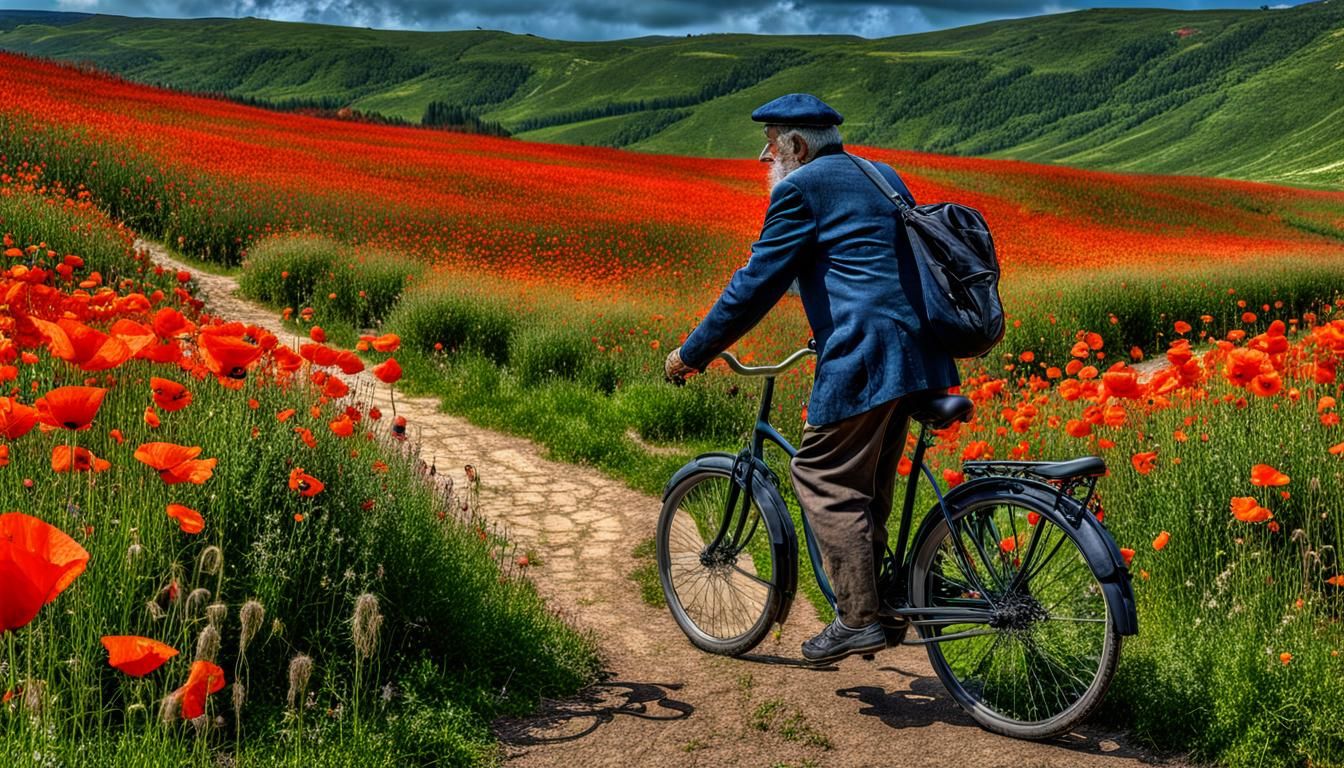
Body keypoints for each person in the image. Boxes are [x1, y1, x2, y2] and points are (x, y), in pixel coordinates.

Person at [663, 93, 960, 665]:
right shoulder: (881, 175)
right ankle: (882, 600)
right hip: (921, 354)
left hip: (867, 356)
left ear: (797, 146)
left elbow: (754, 286)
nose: (763, 157)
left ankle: (857, 618)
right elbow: (870, 266)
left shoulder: (800, 189)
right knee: (864, 488)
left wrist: (691, 354)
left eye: (770, 143)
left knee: (821, 475)